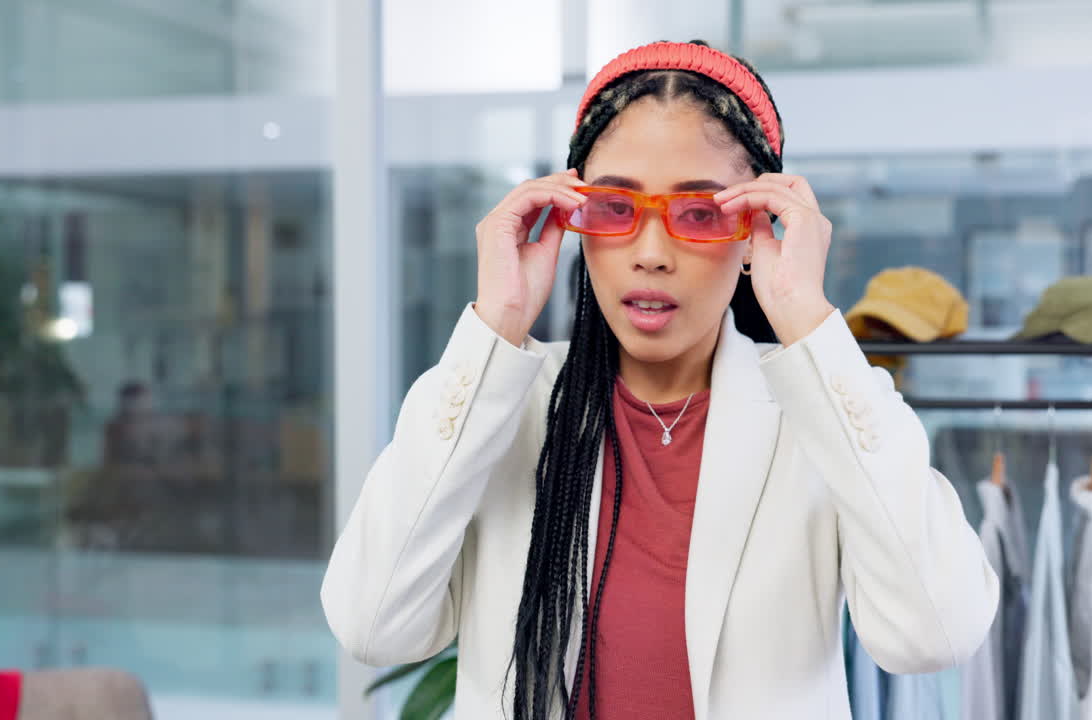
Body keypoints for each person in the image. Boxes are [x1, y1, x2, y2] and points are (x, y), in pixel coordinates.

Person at [322, 40, 998, 720]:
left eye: (699, 214)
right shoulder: (502, 401)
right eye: (616, 207)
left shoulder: (815, 410)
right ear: (575, 217)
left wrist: (808, 322)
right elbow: (372, 626)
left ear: (753, 232)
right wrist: (495, 327)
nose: (650, 254)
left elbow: (935, 633)